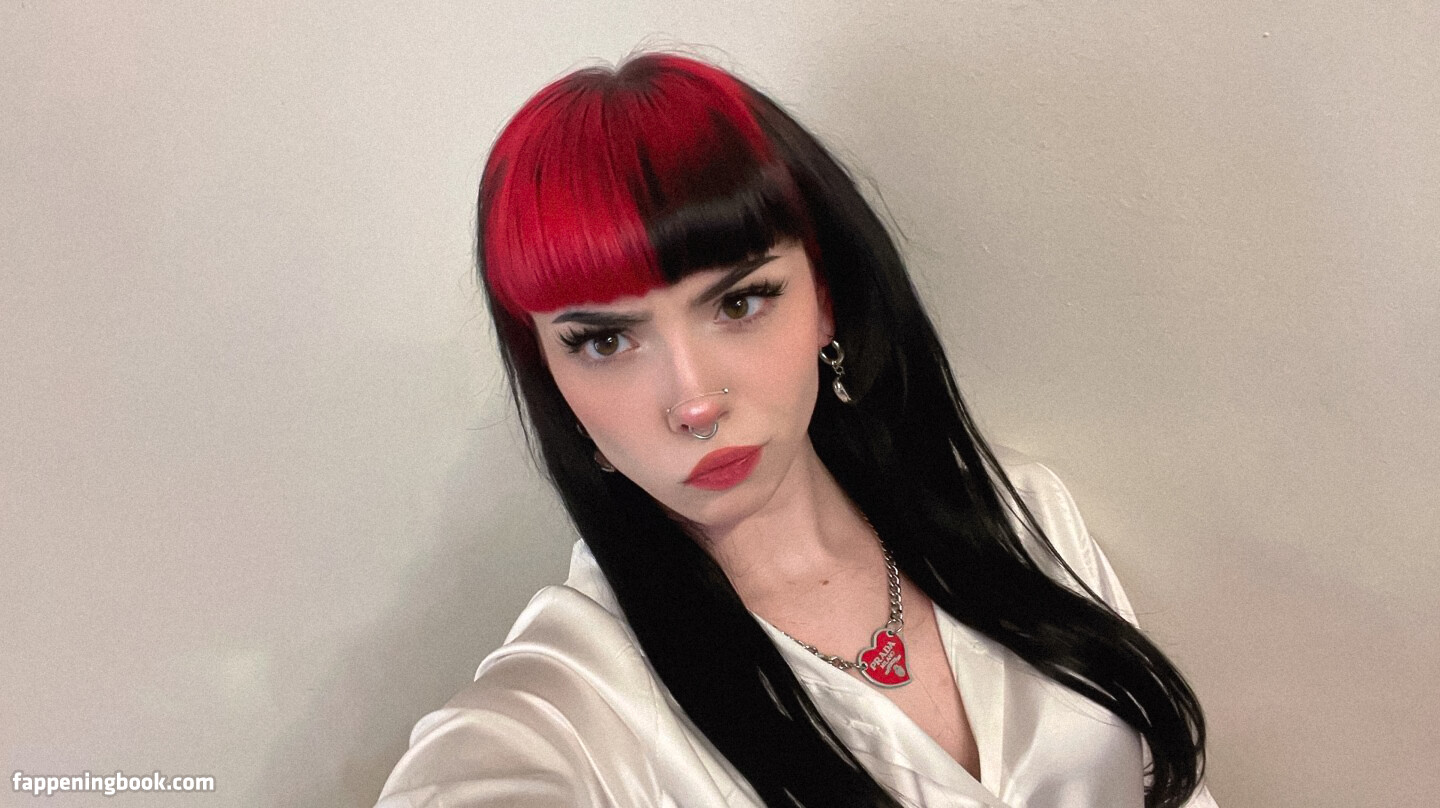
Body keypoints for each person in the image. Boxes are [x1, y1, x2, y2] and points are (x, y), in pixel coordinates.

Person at [376, 53, 1217, 808]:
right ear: (551, 379)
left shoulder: (1022, 515)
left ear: (825, 301)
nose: (694, 402)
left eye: (740, 302)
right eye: (604, 342)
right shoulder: (576, 701)